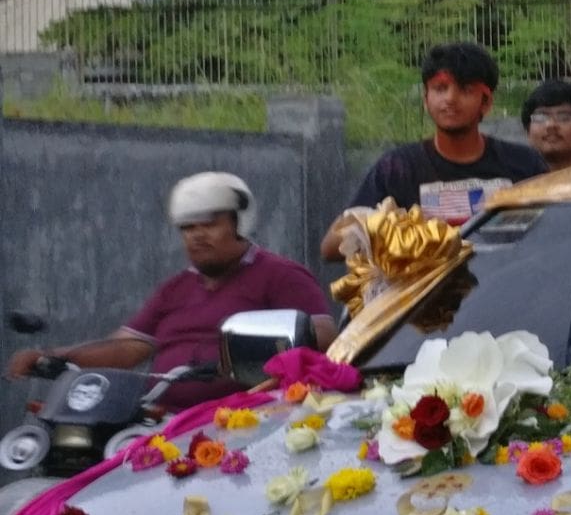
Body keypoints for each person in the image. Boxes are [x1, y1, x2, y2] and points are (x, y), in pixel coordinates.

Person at [10, 174, 335, 408]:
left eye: (209, 224)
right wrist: (54, 356)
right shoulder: (175, 288)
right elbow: (127, 348)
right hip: (159, 422)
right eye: (188, 228)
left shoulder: (279, 275)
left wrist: (245, 354)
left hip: (248, 423)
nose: (197, 236)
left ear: (239, 223)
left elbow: (321, 333)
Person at [322, 43, 547, 258]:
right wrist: (389, 233)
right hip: (428, 297)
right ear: (426, 100)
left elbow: (559, 235)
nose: (450, 99)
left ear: (486, 102)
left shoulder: (525, 165)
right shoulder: (397, 169)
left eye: (465, 90)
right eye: (440, 88)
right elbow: (331, 247)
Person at [523, 79, 571, 173]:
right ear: (527, 131)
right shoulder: (511, 183)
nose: (551, 125)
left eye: (564, 117)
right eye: (540, 117)